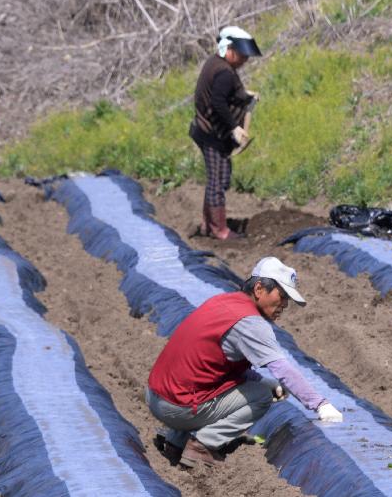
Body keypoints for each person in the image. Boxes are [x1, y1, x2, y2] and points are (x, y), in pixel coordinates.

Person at [146, 257, 344, 468]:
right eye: (282, 295)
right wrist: (320, 405)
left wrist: (260, 379)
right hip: (178, 407)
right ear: (259, 288)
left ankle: (175, 443)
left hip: (156, 396)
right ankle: (203, 446)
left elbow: (217, 365)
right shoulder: (250, 323)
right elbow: (282, 368)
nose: (285, 305)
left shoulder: (223, 302)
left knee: (209, 382)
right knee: (259, 396)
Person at [189, 25, 261, 240]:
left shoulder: (215, 64)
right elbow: (218, 102)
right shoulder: (224, 72)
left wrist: (245, 96)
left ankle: (207, 225)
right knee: (218, 180)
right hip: (212, 135)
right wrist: (234, 127)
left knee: (217, 178)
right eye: (242, 55)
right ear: (228, 49)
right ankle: (219, 230)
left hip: (206, 132)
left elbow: (222, 94)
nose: (245, 60)